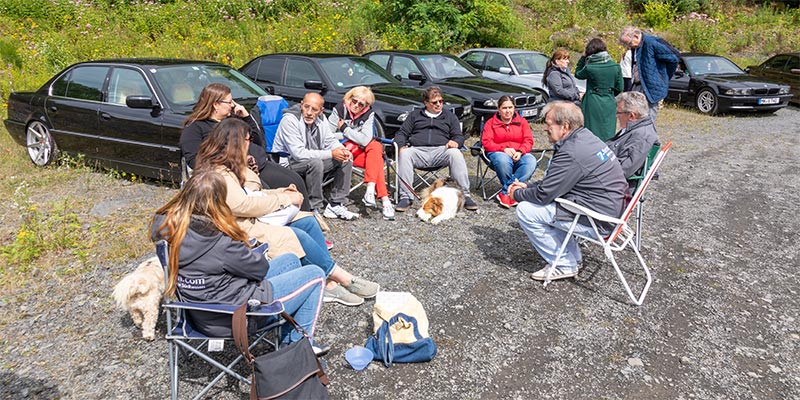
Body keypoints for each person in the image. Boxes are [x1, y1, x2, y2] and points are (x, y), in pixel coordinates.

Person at [195, 118, 379, 307]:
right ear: (237, 142)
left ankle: (329, 282)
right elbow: (243, 204)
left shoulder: (229, 167)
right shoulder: (218, 173)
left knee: (307, 222)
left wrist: (282, 192)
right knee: (294, 235)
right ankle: (343, 279)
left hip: (250, 220)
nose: (250, 145)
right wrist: (284, 199)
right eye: (248, 140)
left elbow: (251, 193)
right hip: (238, 229)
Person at [150, 169, 328, 351]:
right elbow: (258, 269)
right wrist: (247, 247)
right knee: (316, 275)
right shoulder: (218, 240)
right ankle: (297, 349)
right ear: (218, 203)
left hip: (198, 311)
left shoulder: (169, 230)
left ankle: (288, 335)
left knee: (290, 259)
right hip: (236, 315)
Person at [509, 102, 627, 281]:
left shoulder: (571, 152)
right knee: (553, 205)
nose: (545, 129)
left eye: (549, 124)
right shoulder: (585, 137)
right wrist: (529, 187)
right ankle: (573, 258)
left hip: (599, 219)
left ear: (564, 127)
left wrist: (516, 194)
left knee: (526, 210)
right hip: (608, 208)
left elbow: (543, 196)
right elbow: (557, 184)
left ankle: (564, 264)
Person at [179, 83, 312, 211]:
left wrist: (247, 117)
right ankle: (291, 222)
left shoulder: (233, 120)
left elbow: (259, 141)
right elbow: (194, 160)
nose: (233, 105)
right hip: (236, 172)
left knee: (295, 180)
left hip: (259, 164)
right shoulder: (196, 127)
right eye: (229, 102)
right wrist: (230, 160)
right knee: (268, 191)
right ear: (215, 104)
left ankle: (306, 217)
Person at [273, 93, 359, 221]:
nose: (309, 112)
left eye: (314, 109)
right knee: (316, 162)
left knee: (345, 159)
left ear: (321, 111)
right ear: (301, 105)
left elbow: (329, 140)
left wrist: (342, 150)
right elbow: (299, 154)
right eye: (306, 107)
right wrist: (331, 153)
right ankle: (313, 208)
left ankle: (336, 204)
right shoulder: (290, 120)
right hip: (287, 164)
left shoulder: (321, 119)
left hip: (310, 161)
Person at [393, 86, 478, 212]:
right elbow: (401, 133)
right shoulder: (415, 115)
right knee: (405, 154)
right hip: (418, 151)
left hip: (441, 151)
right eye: (434, 102)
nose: (438, 104)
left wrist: (455, 142)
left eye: (441, 101)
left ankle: (464, 195)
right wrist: (400, 146)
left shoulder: (449, 116)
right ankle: (406, 197)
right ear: (426, 103)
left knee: (455, 153)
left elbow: (459, 136)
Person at [328, 86, 395, 221]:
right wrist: (351, 134)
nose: (356, 105)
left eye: (361, 104)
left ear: (367, 105)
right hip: (344, 151)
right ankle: (384, 199)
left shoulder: (368, 113)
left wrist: (345, 129)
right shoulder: (339, 109)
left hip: (360, 151)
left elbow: (365, 140)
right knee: (377, 158)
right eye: (354, 101)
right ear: (349, 98)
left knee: (375, 146)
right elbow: (328, 135)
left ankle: (371, 189)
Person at [481, 95, 536, 208]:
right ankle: (513, 193)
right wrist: (503, 148)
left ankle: (506, 192)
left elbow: (528, 140)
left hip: (519, 154)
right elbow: (486, 142)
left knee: (531, 161)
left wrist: (520, 151)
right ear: (499, 109)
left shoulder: (522, 122)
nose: (508, 111)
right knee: (503, 159)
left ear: (514, 108)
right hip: (498, 152)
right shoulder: (490, 123)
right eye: (504, 108)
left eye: (510, 107)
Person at [619, 26, 680, 121]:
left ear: (635, 36)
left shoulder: (651, 43)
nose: (629, 46)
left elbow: (674, 58)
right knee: (633, 117)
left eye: (629, 43)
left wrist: (663, 77)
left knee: (648, 120)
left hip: (650, 87)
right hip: (638, 85)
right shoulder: (637, 46)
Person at [575, 38, 623, 142]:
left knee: (591, 130)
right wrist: (609, 93)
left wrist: (583, 58)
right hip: (609, 101)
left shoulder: (590, 68)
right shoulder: (615, 67)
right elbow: (620, 87)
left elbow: (578, 74)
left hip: (592, 101)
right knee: (608, 130)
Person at [607, 91, 660, 180]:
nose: (616, 116)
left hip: (612, 185)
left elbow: (623, 170)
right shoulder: (635, 127)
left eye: (619, 112)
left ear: (631, 116)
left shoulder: (642, 136)